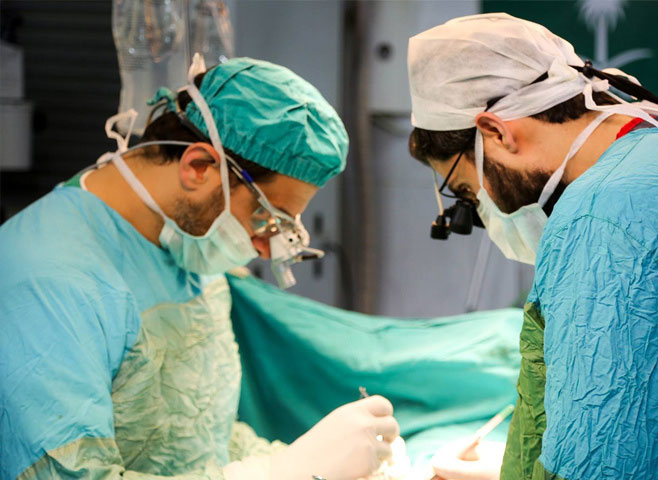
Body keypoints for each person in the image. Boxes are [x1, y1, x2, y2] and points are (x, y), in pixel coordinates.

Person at [407, 13, 658, 480]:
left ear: (495, 132)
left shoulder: (607, 212)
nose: (481, 211)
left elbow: (608, 459)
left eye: (469, 192)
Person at [0, 55, 399, 479]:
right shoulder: (46, 283)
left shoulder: (190, 242)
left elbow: (196, 433)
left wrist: (297, 459)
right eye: (267, 218)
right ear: (198, 167)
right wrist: (280, 473)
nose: (265, 248)